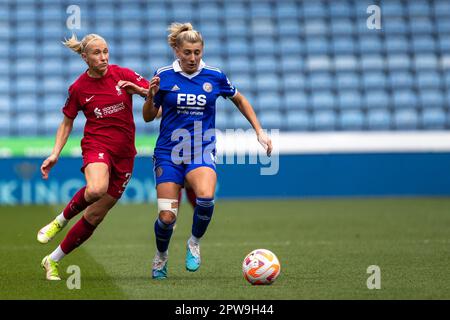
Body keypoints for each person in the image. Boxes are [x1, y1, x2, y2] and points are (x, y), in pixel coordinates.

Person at [143, 22, 273, 279]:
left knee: (205, 196)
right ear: (177, 52)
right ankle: (161, 256)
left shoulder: (215, 75)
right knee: (167, 217)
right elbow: (148, 117)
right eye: (187, 52)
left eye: (197, 52)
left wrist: (259, 130)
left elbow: (240, 99)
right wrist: (150, 96)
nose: (193, 57)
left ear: (202, 51)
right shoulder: (164, 75)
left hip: (201, 149)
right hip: (168, 153)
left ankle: (193, 242)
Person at [37, 33, 149, 280]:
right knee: (97, 188)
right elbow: (67, 122)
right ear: (85, 57)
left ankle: (51, 260)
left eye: (106, 51)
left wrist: (139, 90)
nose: (103, 57)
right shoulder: (79, 88)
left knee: (95, 216)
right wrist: (55, 153)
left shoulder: (122, 75)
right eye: (97, 53)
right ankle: (60, 219)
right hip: (97, 145)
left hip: (125, 154)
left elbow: (155, 94)